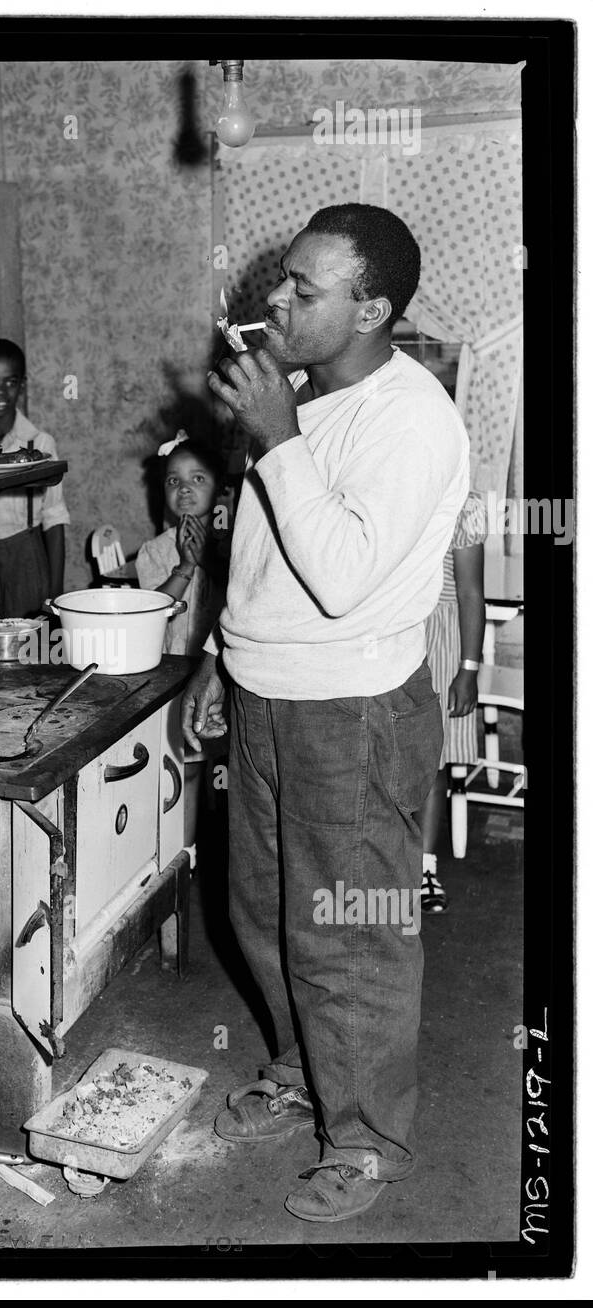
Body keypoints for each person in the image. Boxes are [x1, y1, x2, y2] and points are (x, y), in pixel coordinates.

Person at [185, 203, 469, 1222]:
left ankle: (366, 1137)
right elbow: (258, 561)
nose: (274, 299)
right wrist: (217, 660)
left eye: (303, 289)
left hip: (352, 714)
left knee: (350, 932)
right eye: (281, 281)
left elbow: (342, 578)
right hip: (264, 697)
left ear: (370, 308)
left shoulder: (412, 418)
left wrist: (276, 440)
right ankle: (302, 1066)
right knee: (259, 915)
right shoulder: (302, 400)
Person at [0, 339, 69, 616]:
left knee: (31, 650)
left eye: (10, 381)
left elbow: (54, 521)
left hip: (26, 562)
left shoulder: (39, 445)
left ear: (22, 385)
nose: (0, 391)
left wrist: (55, 596)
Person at [420, 492, 488, 911]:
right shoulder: (383, 485)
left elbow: (470, 594)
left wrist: (468, 668)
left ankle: (424, 867)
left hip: (440, 641)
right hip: (389, 633)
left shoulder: (464, 505)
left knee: (433, 758)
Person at [134, 431, 229, 658]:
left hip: (220, 670)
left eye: (197, 478)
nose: (184, 488)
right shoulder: (154, 551)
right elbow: (151, 614)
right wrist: (186, 567)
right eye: (174, 480)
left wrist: (206, 560)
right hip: (172, 669)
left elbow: (243, 599)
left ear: (218, 487)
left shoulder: (233, 542)